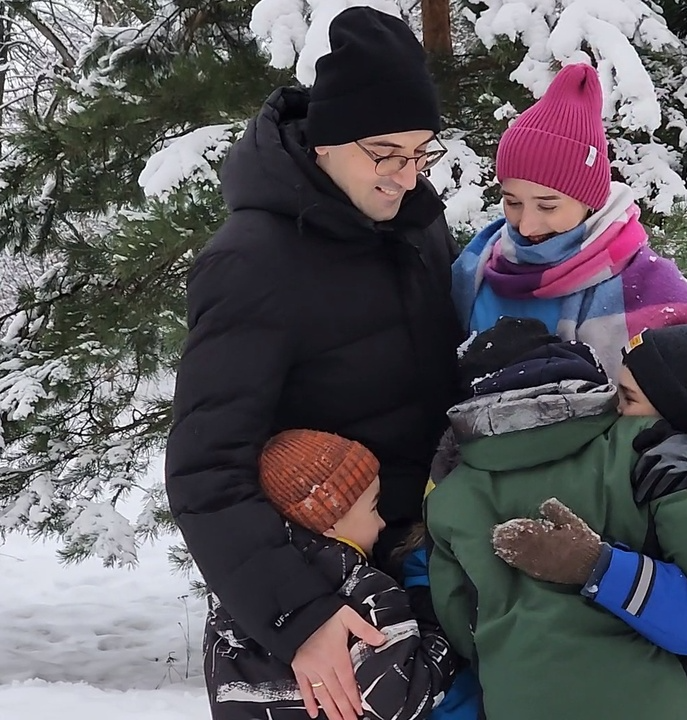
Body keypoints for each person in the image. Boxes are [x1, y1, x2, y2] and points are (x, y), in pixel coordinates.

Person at [164, 8, 462, 720]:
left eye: (421, 152)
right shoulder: (251, 262)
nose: (404, 176)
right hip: (325, 605)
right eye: (384, 152)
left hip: (426, 582)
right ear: (324, 143)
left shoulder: (418, 227)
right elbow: (205, 470)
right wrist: (297, 616)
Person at [451, 62, 687, 496]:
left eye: (547, 205)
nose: (525, 226)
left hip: (606, 511)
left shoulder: (647, 288)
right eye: (511, 201)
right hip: (483, 497)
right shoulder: (477, 269)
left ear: (590, 200)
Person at [425, 319, 687, 719]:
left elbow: (459, 622)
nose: (618, 410)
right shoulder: (643, 455)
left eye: (626, 397)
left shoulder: (448, 493)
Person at [205, 430, 458, 720]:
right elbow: (407, 699)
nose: (381, 522)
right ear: (330, 521)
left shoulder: (234, 601)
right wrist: (435, 620)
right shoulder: (364, 588)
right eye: (374, 507)